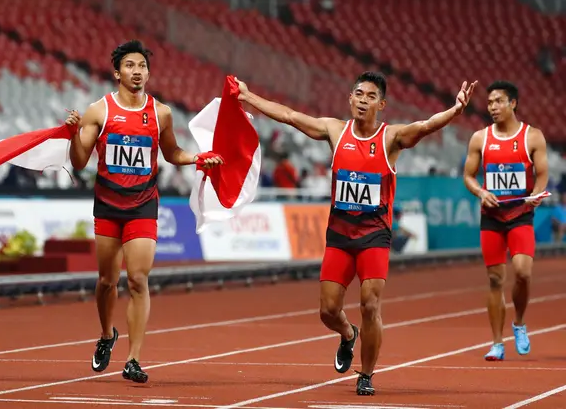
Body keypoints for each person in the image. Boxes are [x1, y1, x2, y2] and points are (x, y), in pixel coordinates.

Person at [235, 72, 475, 396]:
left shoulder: (391, 139)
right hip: (340, 234)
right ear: (350, 98)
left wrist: (455, 111)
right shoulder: (336, 130)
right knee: (328, 310)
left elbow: (425, 126)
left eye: (370, 96)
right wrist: (248, 98)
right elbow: (290, 116)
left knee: (370, 303)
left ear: (382, 104)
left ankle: (367, 374)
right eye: (358, 94)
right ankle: (348, 334)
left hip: (374, 235)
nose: (363, 100)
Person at [66, 40, 222, 384]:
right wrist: (72, 135)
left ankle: (133, 359)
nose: (137, 72)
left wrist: (197, 158)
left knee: (138, 279)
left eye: (143, 66)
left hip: (142, 205)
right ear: (117, 72)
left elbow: (172, 152)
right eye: (131, 66)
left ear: (148, 73)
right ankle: (108, 334)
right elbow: (79, 162)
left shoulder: (161, 113)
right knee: (107, 282)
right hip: (107, 205)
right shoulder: (99, 111)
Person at [462, 80, 548, 361]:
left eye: (498, 101)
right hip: (493, 218)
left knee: (523, 272)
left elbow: (543, 174)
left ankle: (519, 323)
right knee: (495, 279)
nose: (493, 107)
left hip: (520, 216)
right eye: (489, 103)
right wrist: (481, 191)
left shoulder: (532, 137)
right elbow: (469, 176)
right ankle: (497, 343)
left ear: (513, 103)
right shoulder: (480, 138)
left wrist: (535, 194)